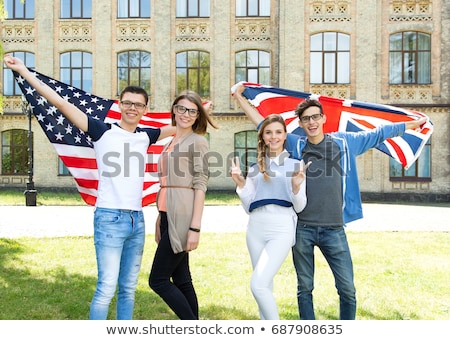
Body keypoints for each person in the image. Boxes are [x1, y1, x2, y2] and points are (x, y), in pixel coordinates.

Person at [232, 83, 427, 320]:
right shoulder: (297, 144)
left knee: (347, 290)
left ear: (323, 118)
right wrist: (240, 98)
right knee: (305, 289)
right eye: (306, 119)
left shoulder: (345, 142)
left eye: (315, 117)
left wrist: (413, 124)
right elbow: (263, 125)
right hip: (303, 229)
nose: (311, 122)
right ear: (301, 124)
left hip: (334, 229)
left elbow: (380, 133)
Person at [3, 54, 177, 320]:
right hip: (109, 218)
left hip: (136, 220)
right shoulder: (101, 130)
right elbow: (60, 102)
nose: (132, 108)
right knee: (106, 288)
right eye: (128, 103)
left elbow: (180, 127)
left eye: (138, 105)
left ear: (145, 109)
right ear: (120, 104)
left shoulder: (146, 135)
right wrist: (24, 71)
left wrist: (201, 112)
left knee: (129, 288)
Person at [230, 114, 310, 320]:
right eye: (268, 132)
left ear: (285, 136)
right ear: (263, 137)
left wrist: (295, 186)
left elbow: (300, 207)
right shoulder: (256, 168)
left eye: (278, 132)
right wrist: (240, 183)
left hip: (281, 229)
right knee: (264, 286)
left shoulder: (296, 165)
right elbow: (249, 206)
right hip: (255, 229)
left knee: (257, 284)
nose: (273, 137)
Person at [148, 90, 218, 320]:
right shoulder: (171, 141)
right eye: (182, 108)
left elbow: (200, 184)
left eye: (192, 111)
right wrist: (161, 216)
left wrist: (194, 228)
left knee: (158, 280)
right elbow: (167, 183)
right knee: (181, 279)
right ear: (174, 110)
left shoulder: (197, 141)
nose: (186, 114)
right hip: (168, 213)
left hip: (184, 216)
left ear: (198, 115)